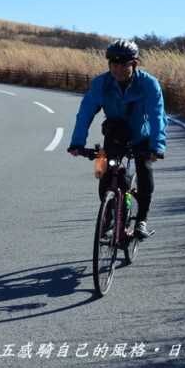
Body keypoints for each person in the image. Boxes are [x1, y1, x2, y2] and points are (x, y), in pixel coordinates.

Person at [67, 39, 166, 239]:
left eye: (123, 65)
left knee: (144, 171)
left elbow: (158, 117)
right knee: (104, 175)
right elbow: (85, 113)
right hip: (114, 137)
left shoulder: (148, 84)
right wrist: (77, 143)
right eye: (113, 64)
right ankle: (109, 216)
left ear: (135, 64)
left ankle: (141, 221)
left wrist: (157, 147)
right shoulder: (101, 84)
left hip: (141, 137)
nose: (118, 69)